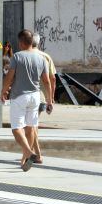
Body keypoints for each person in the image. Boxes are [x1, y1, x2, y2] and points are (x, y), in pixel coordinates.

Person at [0, 29, 52, 172]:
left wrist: (3, 92)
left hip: (19, 96)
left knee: (16, 128)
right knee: (31, 127)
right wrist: (49, 100)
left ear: (21, 42)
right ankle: (25, 159)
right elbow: (47, 82)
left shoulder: (17, 57)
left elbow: (9, 77)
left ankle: (28, 153)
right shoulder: (42, 59)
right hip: (35, 96)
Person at [30, 34, 57, 163]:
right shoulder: (46, 57)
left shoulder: (23, 55)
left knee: (31, 126)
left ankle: (36, 154)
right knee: (32, 125)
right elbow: (52, 79)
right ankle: (30, 152)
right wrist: (50, 99)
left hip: (31, 96)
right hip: (41, 97)